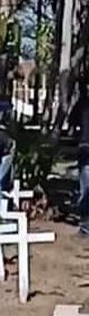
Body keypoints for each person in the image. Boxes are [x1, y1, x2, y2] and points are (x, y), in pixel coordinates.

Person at [69, 87, 89, 237]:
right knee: (86, 188)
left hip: (84, 145)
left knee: (86, 187)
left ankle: (85, 225)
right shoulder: (82, 103)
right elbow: (72, 122)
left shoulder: (82, 102)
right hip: (85, 146)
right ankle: (85, 225)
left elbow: (71, 123)